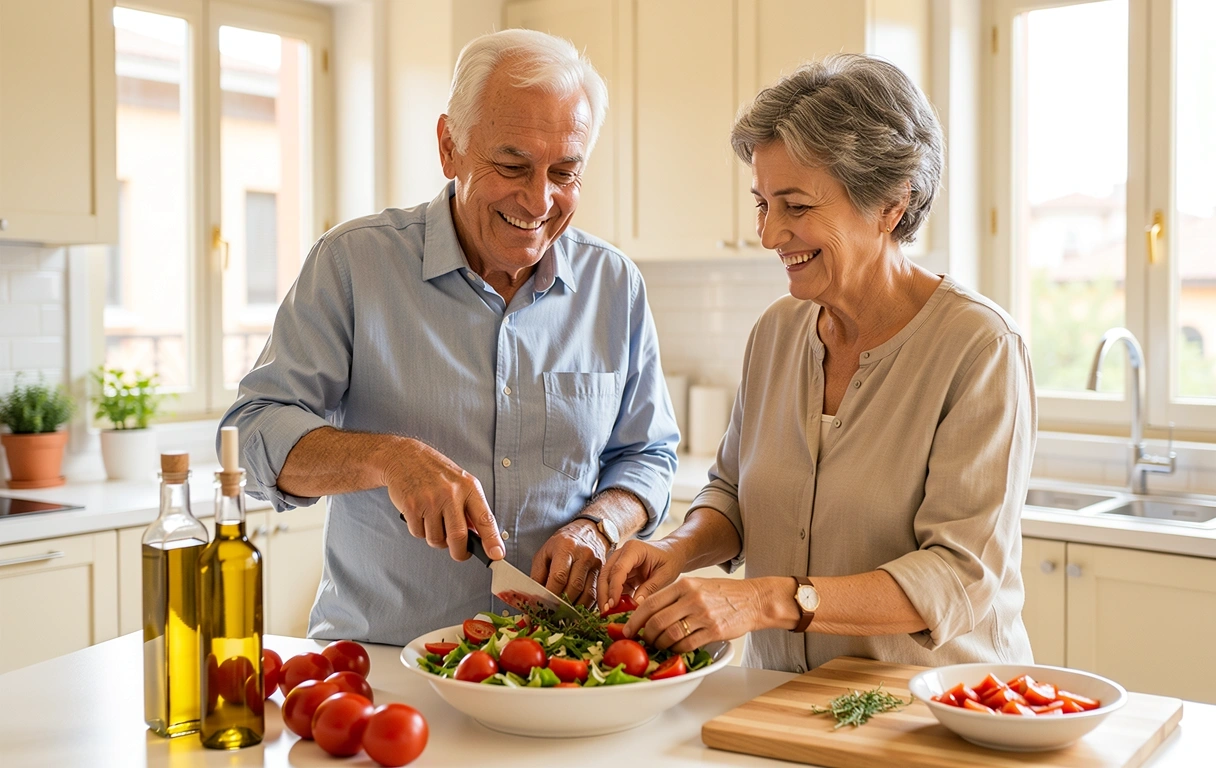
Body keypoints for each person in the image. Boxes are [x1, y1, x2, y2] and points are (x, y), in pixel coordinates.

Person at [220, 29, 678, 646]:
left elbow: (648, 455)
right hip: (379, 667)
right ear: (449, 147)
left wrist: (601, 524)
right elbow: (250, 433)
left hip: (555, 667)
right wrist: (387, 459)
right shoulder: (353, 263)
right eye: (511, 165)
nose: (539, 199)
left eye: (564, 172)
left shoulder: (614, 285)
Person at [598, 54, 1036, 672]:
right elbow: (731, 495)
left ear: (890, 203)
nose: (770, 234)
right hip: (776, 699)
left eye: (797, 207)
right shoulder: (776, 333)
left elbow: (959, 574)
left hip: (929, 713)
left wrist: (767, 599)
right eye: (762, 204)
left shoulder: (978, 346)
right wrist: (677, 549)